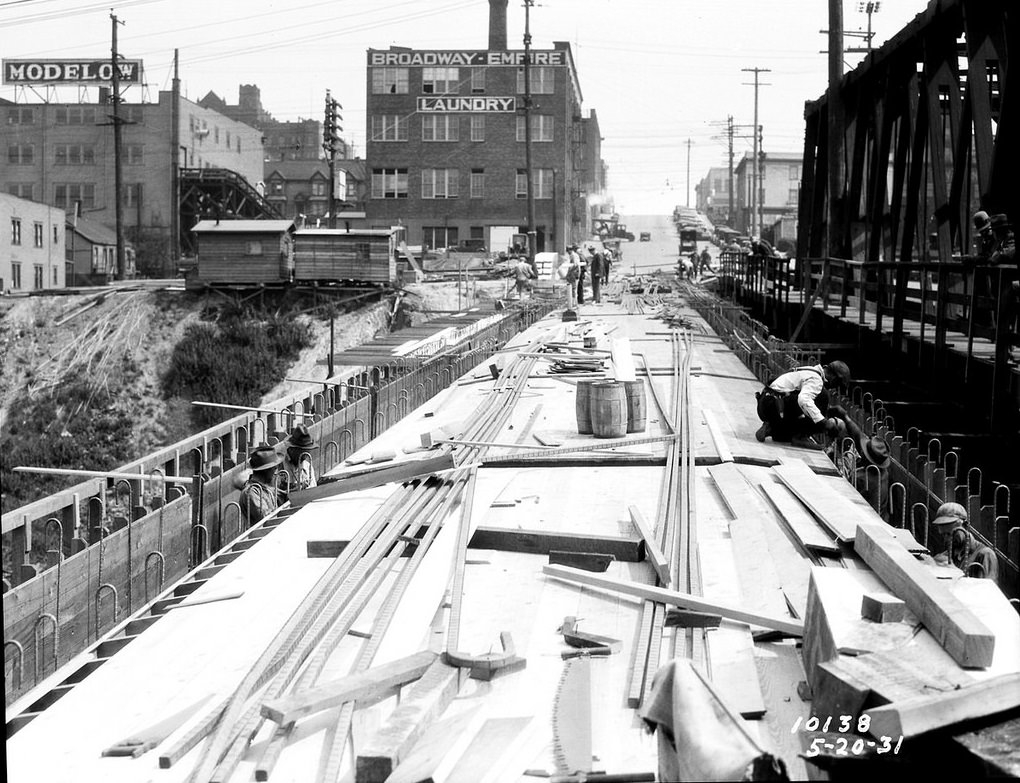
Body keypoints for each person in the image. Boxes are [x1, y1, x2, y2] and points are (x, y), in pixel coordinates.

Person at [754, 361, 851, 449]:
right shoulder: (816, 380)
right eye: (837, 385)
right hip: (775, 407)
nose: (834, 388)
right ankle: (801, 436)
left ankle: (772, 429)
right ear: (834, 378)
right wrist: (823, 422)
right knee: (822, 396)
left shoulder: (809, 370)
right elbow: (803, 399)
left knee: (788, 434)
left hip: (765, 404)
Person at [828, 407, 892, 520]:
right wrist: (846, 417)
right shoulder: (884, 472)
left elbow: (841, 495)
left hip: (866, 521)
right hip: (880, 517)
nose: (861, 451)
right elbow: (859, 437)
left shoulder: (861, 478)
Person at [930, 502, 999, 582]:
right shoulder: (945, 557)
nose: (947, 539)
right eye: (943, 535)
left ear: (965, 526)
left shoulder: (984, 555)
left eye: (951, 534)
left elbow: (988, 590)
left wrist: (954, 572)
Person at [239, 446, 283, 526]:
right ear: (266, 470)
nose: (275, 472)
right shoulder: (252, 492)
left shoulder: (265, 489)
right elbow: (267, 519)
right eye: (274, 468)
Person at [280, 423, 318, 491]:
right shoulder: (280, 467)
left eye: (308, 451)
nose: (305, 455)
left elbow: (314, 489)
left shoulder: (308, 467)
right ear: (291, 449)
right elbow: (274, 496)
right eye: (302, 451)